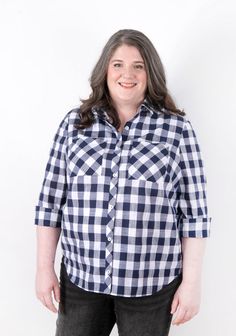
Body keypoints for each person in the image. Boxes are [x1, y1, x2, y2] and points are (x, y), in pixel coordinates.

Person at [34, 29, 211, 336]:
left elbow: (195, 214)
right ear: (105, 70)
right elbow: (50, 203)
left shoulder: (177, 129)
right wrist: (43, 268)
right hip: (81, 281)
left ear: (150, 73)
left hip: (151, 285)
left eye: (138, 66)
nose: (126, 74)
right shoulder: (74, 125)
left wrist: (192, 283)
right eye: (117, 64)